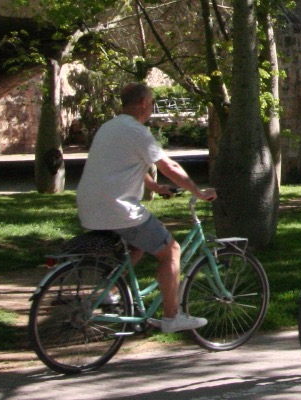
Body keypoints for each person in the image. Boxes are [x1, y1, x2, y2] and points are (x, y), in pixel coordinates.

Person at [77, 83, 217, 332]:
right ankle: (172, 317)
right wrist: (199, 192)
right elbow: (169, 167)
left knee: (137, 247)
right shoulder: (137, 131)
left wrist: (154, 188)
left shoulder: (109, 128)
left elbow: (122, 166)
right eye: (151, 103)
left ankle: (109, 293)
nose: (151, 108)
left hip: (90, 207)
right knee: (171, 250)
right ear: (142, 102)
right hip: (118, 209)